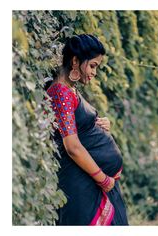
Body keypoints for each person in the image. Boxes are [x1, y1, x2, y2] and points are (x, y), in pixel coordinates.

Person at [45, 34, 128, 225]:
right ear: (75, 61)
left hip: (90, 183)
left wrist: (101, 124)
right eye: (92, 66)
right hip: (81, 187)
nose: (94, 72)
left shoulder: (70, 90)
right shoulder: (60, 93)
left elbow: (80, 127)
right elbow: (72, 146)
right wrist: (103, 179)